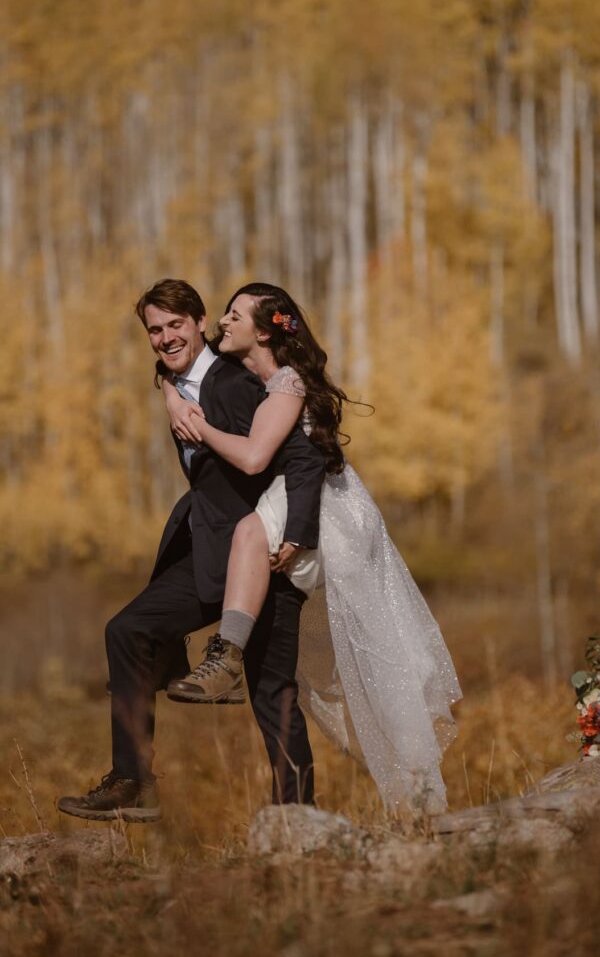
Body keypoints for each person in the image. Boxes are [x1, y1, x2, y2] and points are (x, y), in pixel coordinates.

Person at [162, 283, 462, 815]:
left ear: (261, 330)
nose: (222, 324)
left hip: (329, 509)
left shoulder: (287, 381)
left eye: (234, 316)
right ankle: (415, 796)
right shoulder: (256, 377)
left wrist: (200, 426)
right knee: (363, 658)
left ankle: (227, 655)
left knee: (252, 536)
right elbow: (175, 361)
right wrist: (170, 393)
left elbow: (256, 459)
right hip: (319, 502)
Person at [57, 279, 325, 822]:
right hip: (210, 551)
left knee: (273, 694)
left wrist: (297, 534)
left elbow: (304, 455)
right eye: (154, 330)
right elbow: (173, 369)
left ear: (200, 322)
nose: (165, 337)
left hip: (261, 558)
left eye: (176, 324)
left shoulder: (231, 384)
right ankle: (134, 781)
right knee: (128, 630)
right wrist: (168, 388)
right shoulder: (183, 378)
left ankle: (297, 821)